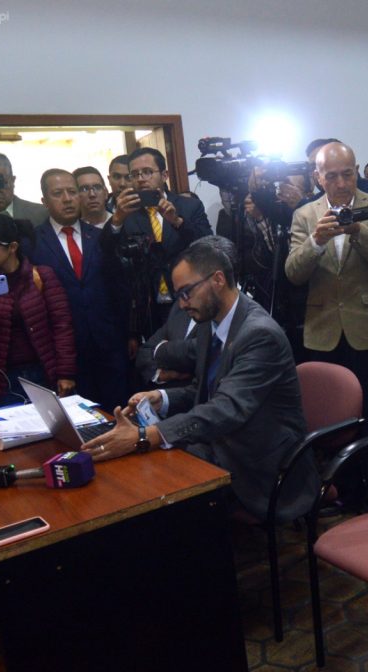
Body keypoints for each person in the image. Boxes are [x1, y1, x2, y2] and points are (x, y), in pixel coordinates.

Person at [82, 236, 314, 521]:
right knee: (139, 477)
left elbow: (225, 409)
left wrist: (145, 437)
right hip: (223, 442)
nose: (181, 305)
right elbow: (204, 390)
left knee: (156, 487)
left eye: (186, 292)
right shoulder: (211, 323)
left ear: (217, 280)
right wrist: (161, 399)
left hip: (261, 462)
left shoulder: (259, 334)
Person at [285, 141, 368, 510]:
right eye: (331, 175)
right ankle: (348, 492)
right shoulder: (305, 216)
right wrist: (317, 242)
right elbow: (293, 273)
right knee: (339, 420)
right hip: (323, 330)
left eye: (347, 173)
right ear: (318, 177)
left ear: (356, 171)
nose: (340, 182)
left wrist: (358, 231)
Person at [32, 170, 129, 410]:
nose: (67, 199)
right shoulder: (32, 244)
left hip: (110, 346)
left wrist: (130, 334)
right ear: (44, 201)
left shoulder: (100, 237)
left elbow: (119, 288)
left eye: (72, 192)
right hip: (65, 354)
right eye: (57, 193)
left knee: (119, 415)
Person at [0, 215, 76, 408]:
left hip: (43, 373)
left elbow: (62, 326)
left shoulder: (41, 276)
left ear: (12, 247)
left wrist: (66, 373)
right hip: (1, 381)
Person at [101, 147, 214, 339]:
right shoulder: (127, 214)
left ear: (164, 175)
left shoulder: (188, 206)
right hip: (148, 303)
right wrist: (117, 220)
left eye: (147, 172)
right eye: (134, 174)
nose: (141, 178)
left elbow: (208, 245)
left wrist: (177, 222)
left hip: (188, 295)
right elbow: (107, 252)